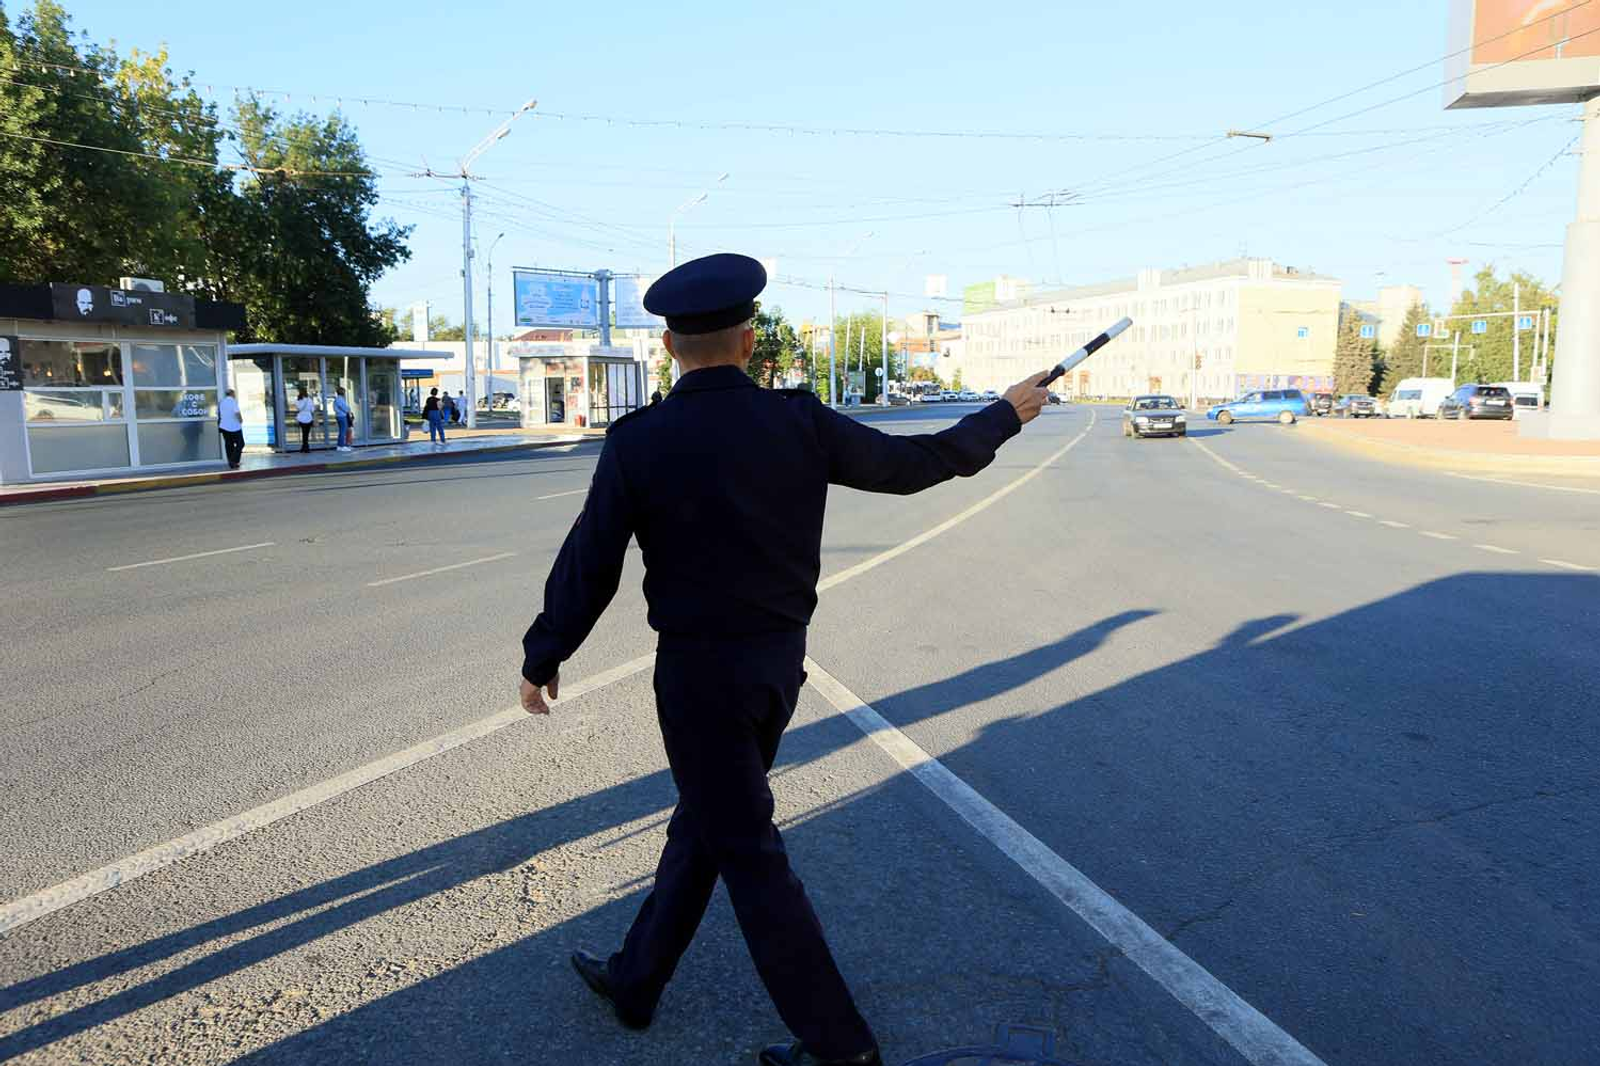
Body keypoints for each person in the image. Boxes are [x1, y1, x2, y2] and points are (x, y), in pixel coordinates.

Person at [518, 253, 1047, 1066]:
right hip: (777, 670)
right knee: (710, 823)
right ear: (750, 339)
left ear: (667, 345)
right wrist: (1004, 415)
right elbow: (917, 467)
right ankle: (636, 979)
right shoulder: (798, 421)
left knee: (750, 857)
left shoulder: (640, 441)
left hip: (697, 678)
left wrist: (546, 650)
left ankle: (841, 1048)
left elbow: (592, 559)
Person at [218, 388, 245, 469]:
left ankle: (232, 463)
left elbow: (218, 413)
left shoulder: (221, 402)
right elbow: (237, 412)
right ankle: (234, 460)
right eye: (234, 394)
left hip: (224, 427)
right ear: (232, 394)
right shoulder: (233, 402)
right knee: (240, 444)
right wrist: (241, 420)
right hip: (234, 427)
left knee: (229, 445)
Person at [294, 386, 316, 453]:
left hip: (301, 418)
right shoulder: (309, 400)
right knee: (306, 433)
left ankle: (304, 447)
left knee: (304, 433)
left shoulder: (298, 400)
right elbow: (312, 410)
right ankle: (305, 447)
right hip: (309, 417)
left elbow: (298, 408)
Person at [333, 386, 354, 452]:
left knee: (342, 431)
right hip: (342, 416)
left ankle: (340, 445)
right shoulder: (339, 399)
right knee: (343, 431)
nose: (345, 393)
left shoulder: (339, 399)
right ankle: (341, 446)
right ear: (342, 392)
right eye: (344, 391)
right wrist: (349, 410)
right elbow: (344, 407)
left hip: (340, 416)